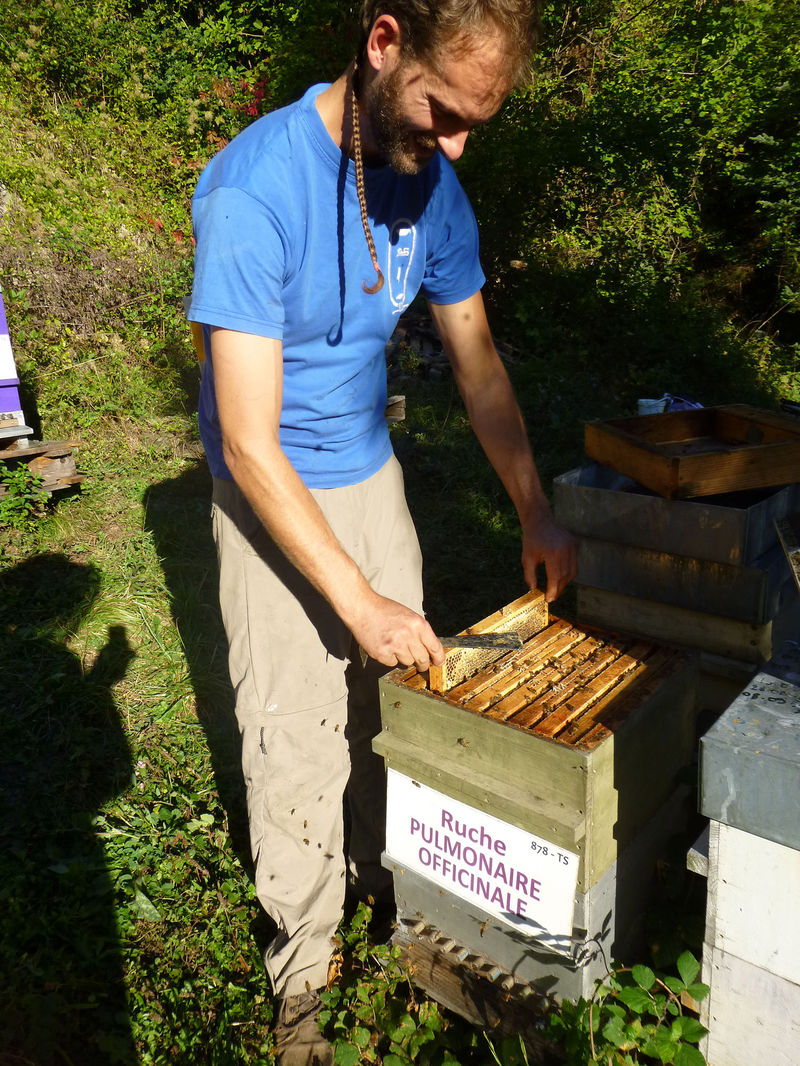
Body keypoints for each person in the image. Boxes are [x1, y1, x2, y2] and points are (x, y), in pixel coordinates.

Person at [188, 2, 577, 1061]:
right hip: (269, 490)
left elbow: (478, 363)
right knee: (298, 737)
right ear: (381, 42)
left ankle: (389, 899)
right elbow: (247, 439)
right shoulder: (253, 190)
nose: (451, 147)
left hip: (371, 474)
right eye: (440, 112)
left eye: (474, 126)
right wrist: (352, 599)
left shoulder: (433, 185)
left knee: (395, 712)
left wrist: (534, 507)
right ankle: (305, 980)